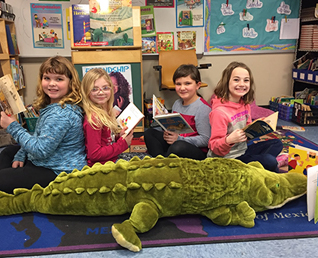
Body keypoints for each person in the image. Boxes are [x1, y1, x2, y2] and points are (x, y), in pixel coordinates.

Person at [0, 56, 87, 194]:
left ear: (71, 82)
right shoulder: (53, 106)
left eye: (59, 79)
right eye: (47, 78)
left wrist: (12, 126)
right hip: (46, 161)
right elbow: (38, 136)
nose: (52, 83)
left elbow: (40, 150)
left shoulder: (61, 114)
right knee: (8, 152)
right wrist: (21, 155)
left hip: (58, 171)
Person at [207, 61, 283, 172]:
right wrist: (228, 140)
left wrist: (257, 127)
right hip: (226, 158)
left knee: (277, 143)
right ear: (227, 82)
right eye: (236, 80)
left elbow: (247, 131)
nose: (242, 84)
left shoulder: (245, 104)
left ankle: (259, 168)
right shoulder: (220, 112)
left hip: (242, 150)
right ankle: (263, 168)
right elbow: (214, 146)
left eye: (246, 80)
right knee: (269, 161)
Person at [144, 64, 211, 160]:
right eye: (178, 84)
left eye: (187, 83)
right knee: (149, 133)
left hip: (195, 149)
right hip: (176, 141)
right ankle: (162, 160)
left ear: (198, 85)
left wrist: (179, 139)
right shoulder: (177, 103)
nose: (182, 88)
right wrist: (167, 133)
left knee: (178, 147)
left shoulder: (203, 108)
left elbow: (205, 139)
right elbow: (175, 128)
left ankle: (165, 159)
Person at [81, 68, 134, 166]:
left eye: (105, 88)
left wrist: (119, 137)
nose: (101, 92)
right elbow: (95, 154)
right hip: (101, 167)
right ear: (87, 92)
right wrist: (122, 144)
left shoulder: (104, 112)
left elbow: (105, 142)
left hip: (109, 160)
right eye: (94, 89)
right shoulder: (94, 119)